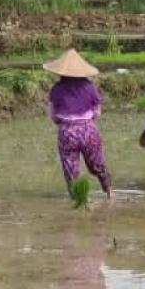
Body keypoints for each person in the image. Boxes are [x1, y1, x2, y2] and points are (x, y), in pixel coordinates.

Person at [45, 48, 111, 201]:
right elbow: (97, 112)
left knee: (71, 168)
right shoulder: (90, 87)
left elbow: (53, 115)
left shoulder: (56, 89)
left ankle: (79, 201)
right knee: (97, 163)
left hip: (67, 131)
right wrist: (87, 121)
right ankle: (108, 191)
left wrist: (63, 122)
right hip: (88, 129)